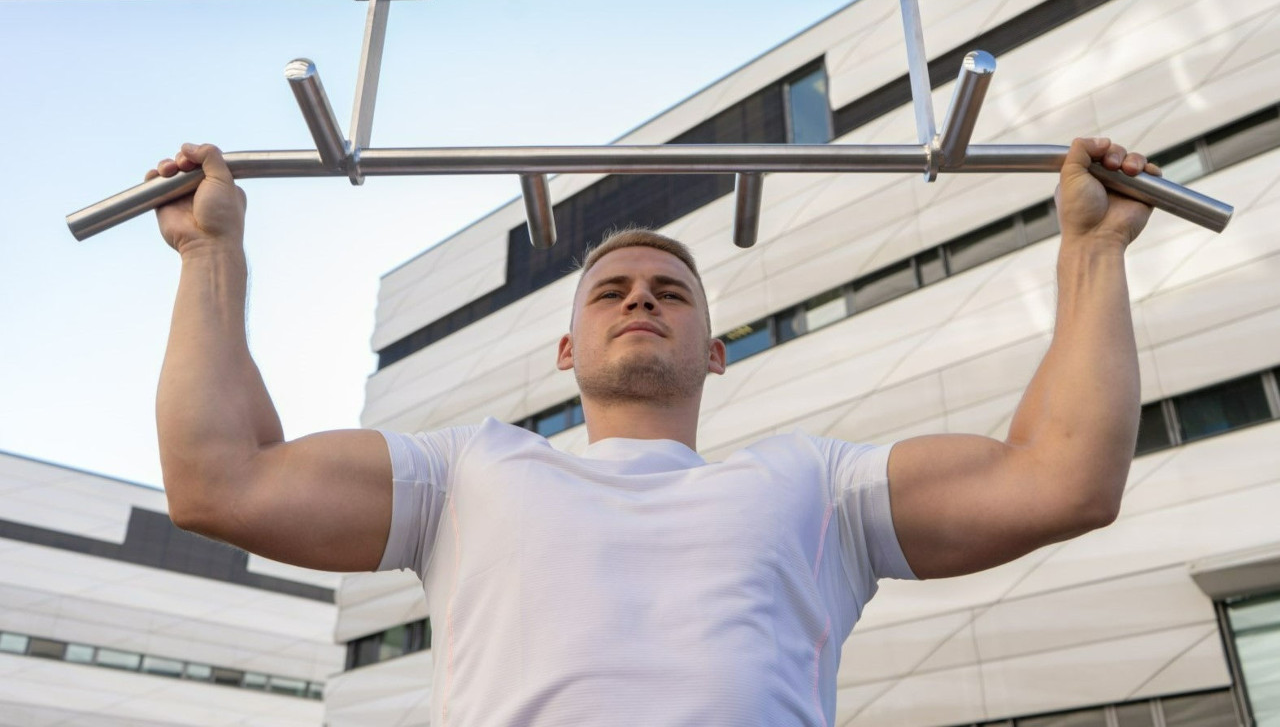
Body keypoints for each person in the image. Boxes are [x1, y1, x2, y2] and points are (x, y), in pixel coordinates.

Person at [148, 137, 1160, 726]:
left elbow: (1062, 475)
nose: (641, 300)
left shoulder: (815, 486)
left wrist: (1093, 247)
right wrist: (206, 249)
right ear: (564, 348)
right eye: (612, 293)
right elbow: (219, 481)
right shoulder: (466, 472)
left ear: (714, 350)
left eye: (670, 292)